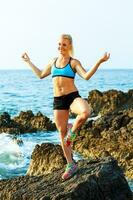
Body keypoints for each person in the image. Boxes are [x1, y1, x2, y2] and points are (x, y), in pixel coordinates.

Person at [22, 34, 110, 180]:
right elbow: (40, 75)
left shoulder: (73, 62)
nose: (60, 47)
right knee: (62, 133)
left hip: (72, 97)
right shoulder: (53, 62)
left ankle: (73, 131)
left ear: (70, 46)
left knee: (85, 112)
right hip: (58, 101)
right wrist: (28, 61)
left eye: (64, 44)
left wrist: (100, 61)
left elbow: (87, 76)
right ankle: (71, 164)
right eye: (59, 44)